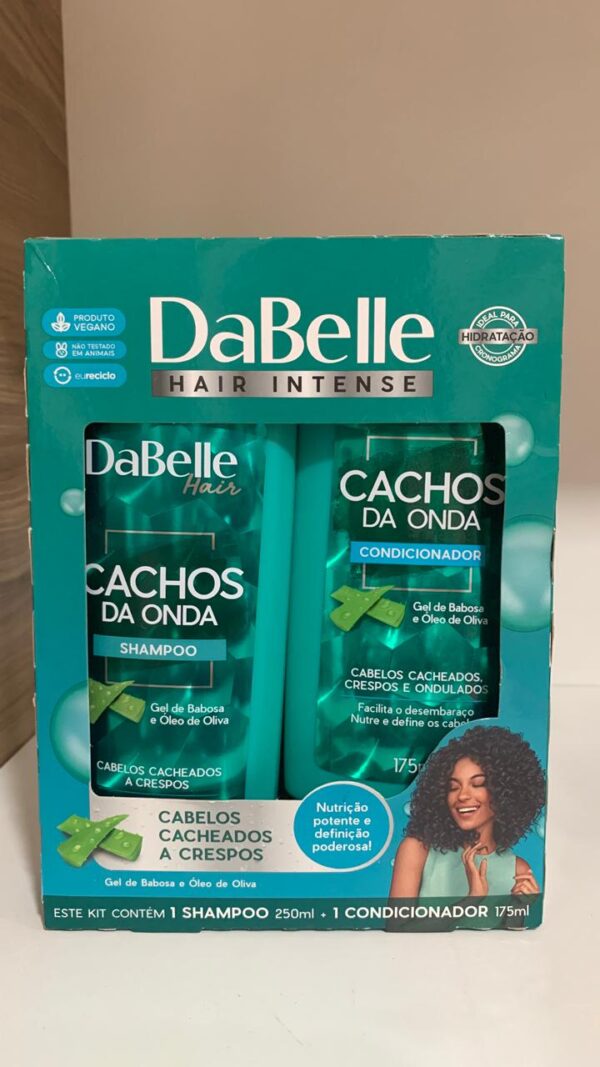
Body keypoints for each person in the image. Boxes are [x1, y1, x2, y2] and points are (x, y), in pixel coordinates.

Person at [389, 726, 545, 899]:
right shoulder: (417, 850)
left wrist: (520, 910)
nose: (462, 796)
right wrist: (472, 900)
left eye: (478, 784)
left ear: (506, 792)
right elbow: (397, 918)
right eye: (453, 787)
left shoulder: (518, 871)